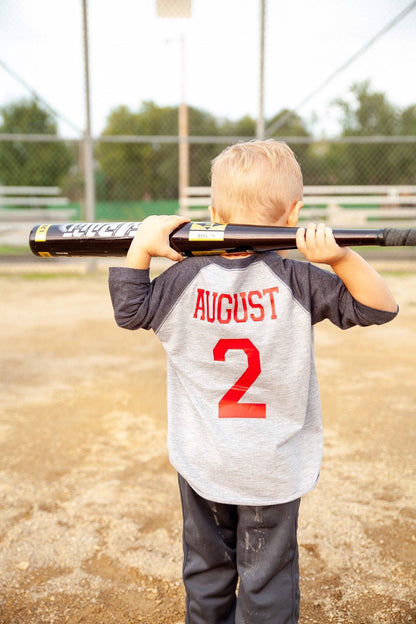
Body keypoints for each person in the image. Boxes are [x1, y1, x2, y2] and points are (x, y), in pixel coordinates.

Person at [108, 140, 398, 624]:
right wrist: (341, 258)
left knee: (206, 569)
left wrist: (141, 247)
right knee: (265, 578)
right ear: (295, 214)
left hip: (203, 460)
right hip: (272, 465)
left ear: (213, 212)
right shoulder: (297, 279)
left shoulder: (184, 280)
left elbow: (129, 310)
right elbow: (379, 307)